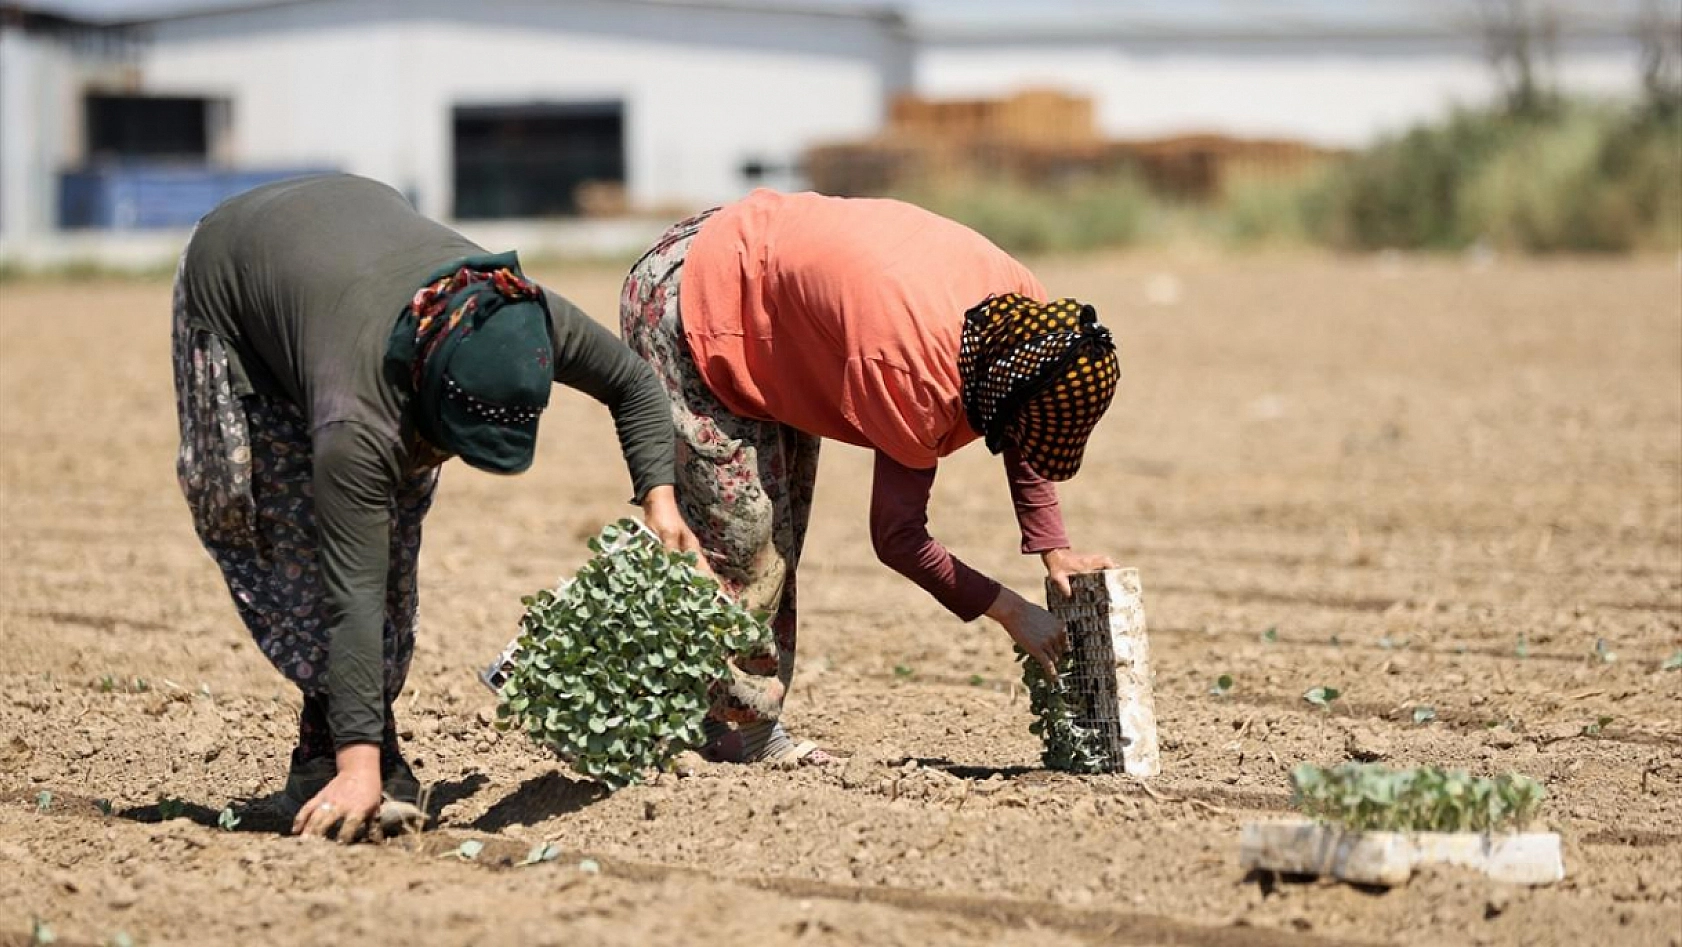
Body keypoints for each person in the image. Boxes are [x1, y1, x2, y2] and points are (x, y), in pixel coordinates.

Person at [172, 174, 699, 840]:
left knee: (393, 523)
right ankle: (342, 749)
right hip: (236, 282)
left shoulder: (520, 312)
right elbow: (351, 591)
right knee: (279, 529)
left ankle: (341, 734)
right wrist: (363, 767)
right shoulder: (357, 420)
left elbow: (632, 382)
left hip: (350, 251)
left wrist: (661, 500)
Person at [619, 189, 1121, 765]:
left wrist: (1054, 548)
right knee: (745, 536)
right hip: (692, 298)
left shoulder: (1029, 320)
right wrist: (1010, 611)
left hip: (772, 300)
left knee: (777, 533)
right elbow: (898, 537)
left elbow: (1027, 416)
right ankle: (729, 731)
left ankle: (713, 718)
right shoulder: (913, 371)